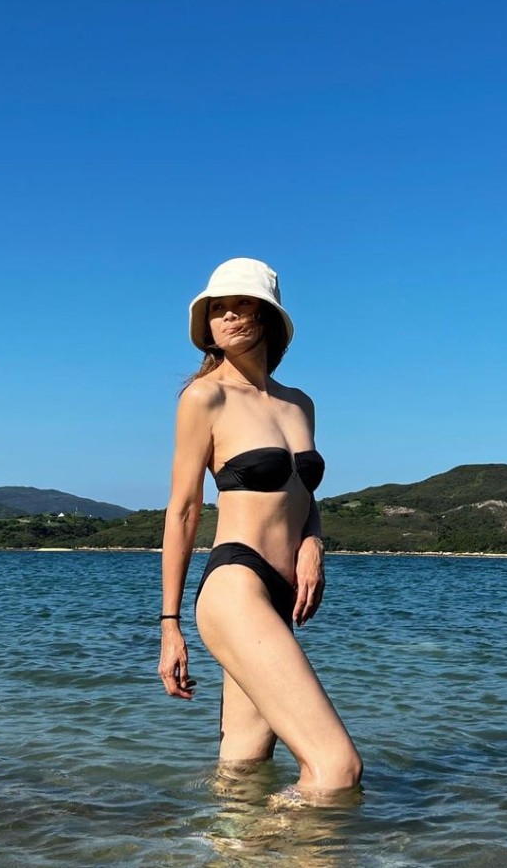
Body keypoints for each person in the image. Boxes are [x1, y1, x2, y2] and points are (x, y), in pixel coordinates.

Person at [157, 257, 363, 797]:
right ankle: (298, 841)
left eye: (241, 304)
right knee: (337, 770)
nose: (228, 316)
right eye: (217, 308)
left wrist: (314, 541)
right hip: (236, 584)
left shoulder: (299, 405)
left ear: (268, 316)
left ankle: (223, 841)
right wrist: (170, 625)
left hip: (280, 593)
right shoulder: (205, 397)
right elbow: (183, 511)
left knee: (243, 771)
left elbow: (302, 494)